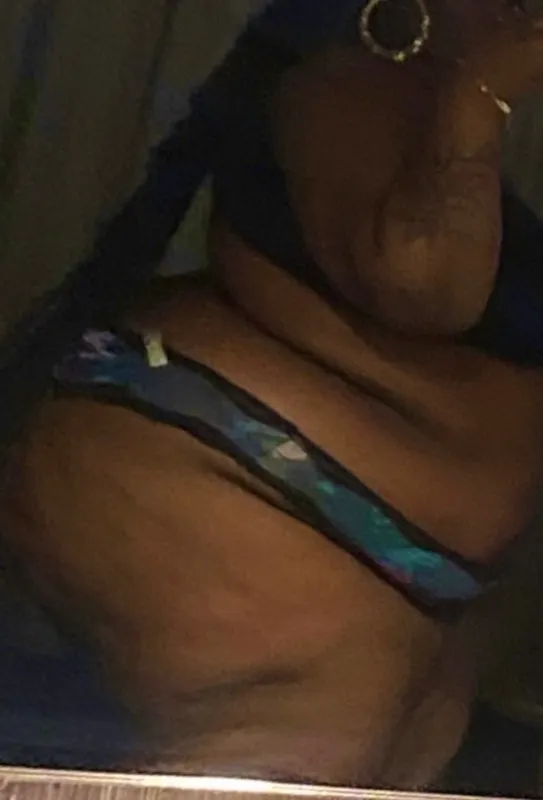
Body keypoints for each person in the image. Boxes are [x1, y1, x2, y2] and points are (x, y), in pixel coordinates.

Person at [2, 0, 543, 788]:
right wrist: (482, 93)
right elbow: (418, 281)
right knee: (296, 743)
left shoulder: (402, 83)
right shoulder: (342, 80)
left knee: (385, 749)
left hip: (338, 515)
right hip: (227, 465)